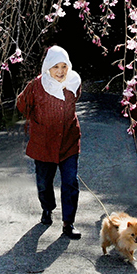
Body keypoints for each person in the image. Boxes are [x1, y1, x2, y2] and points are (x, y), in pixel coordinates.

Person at [17, 45, 83, 239]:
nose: (61, 71)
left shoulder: (74, 82)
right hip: (43, 144)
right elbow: (22, 104)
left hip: (68, 142)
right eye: (56, 67)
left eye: (64, 66)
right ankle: (47, 208)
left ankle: (68, 223)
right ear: (48, 67)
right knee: (44, 183)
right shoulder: (37, 85)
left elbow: (75, 100)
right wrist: (38, 122)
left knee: (70, 182)